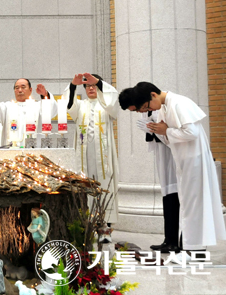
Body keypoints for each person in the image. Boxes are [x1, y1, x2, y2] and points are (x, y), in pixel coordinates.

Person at [129, 82, 226, 252]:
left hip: (194, 161)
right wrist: (158, 132)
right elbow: (170, 137)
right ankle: (192, 248)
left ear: (153, 95)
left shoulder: (179, 103)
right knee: (188, 204)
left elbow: (191, 133)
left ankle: (194, 249)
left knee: (193, 204)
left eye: (147, 106)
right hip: (184, 160)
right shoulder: (166, 106)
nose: (149, 110)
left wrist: (166, 131)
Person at [119, 88, 180, 253]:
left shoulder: (162, 105)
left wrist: (154, 129)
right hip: (162, 152)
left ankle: (176, 241)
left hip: (174, 154)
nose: (139, 112)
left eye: (137, 109)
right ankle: (169, 239)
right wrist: (151, 131)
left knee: (174, 195)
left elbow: (172, 130)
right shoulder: (147, 108)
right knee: (168, 194)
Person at [63, 73, 119, 224]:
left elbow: (114, 103)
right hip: (85, 154)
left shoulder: (106, 105)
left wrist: (100, 84)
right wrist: (73, 85)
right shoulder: (81, 105)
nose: (91, 88)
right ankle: (86, 220)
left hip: (103, 155)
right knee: (85, 183)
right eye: (87, 85)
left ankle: (105, 224)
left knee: (103, 181)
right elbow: (69, 106)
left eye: (94, 85)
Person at [0, 79, 57, 147]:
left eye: (23, 87)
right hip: (11, 151)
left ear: (30, 90)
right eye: (17, 88)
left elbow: (51, 110)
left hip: (35, 150)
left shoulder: (38, 106)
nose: (20, 90)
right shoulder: (6, 107)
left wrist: (45, 95)